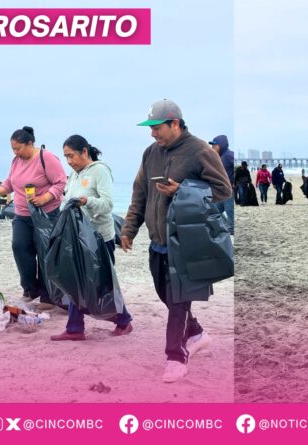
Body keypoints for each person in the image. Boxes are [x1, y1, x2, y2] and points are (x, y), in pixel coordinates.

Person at [122, 99, 231, 383]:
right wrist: (129, 229)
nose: (152, 134)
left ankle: (176, 357)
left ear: (174, 123)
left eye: (156, 128)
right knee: (167, 296)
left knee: (179, 300)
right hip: (157, 241)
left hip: (186, 241)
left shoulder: (200, 150)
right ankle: (196, 334)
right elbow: (140, 193)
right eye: (150, 129)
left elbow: (223, 190)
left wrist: (182, 189)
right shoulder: (150, 153)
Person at [50, 135, 134, 341]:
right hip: (77, 238)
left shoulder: (100, 171)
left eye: (71, 156)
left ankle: (124, 321)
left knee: (102, 284)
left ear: (85, 152)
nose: (69, 161)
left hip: (99, 239)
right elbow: (66, 202)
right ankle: (74, 328)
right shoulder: (73, 175)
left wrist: (87, 201)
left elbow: (107, 204)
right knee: (75, 281)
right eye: (66, 157)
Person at [0, 126, 67, 306]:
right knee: (19, 247)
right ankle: (30, 288)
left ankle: (48, 295)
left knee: (45, 252)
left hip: (46, 214)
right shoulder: (16, 161)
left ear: (30, 143)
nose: (15, 152)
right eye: (13, 149)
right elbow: (10, 183)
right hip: (21, 214)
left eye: (18, 148)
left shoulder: (46, 158)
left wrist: (45, 197)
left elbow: (61, 182)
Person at [209, 135, 234, 235]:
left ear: (221, 145)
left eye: (214, 145)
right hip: (221, 191)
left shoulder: (229, 155)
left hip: (229, 190)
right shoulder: (221, 157)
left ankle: (231, 229)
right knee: (214, 210)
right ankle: (226, 227)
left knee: (229, 211)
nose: (212, 147)